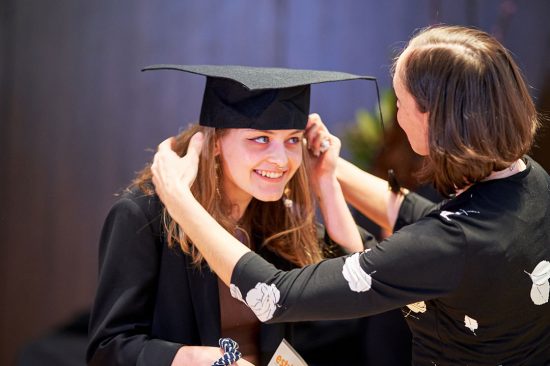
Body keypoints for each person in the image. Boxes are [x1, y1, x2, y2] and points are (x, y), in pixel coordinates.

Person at [150, 25, 550, 365]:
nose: (395, 115)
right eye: (261, 139)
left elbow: (274, 296)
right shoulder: (532, 181)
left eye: (401, 101)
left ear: (434, 116)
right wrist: (331, 169)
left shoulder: (447, 245)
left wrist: (178, 197)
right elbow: (427, 216)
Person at [87, 65, 387, 366]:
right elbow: (109, 349)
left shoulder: (273, 216)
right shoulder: (144, 215)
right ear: (215, 142)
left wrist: (326, 181)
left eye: (293, 140)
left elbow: (356, 284)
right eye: (260, 139)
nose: (281, 160)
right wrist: (204, 360)